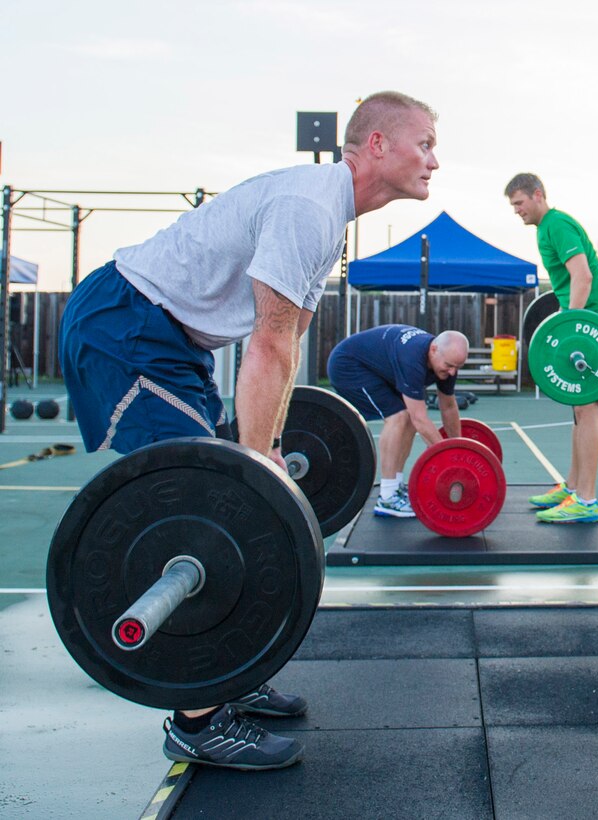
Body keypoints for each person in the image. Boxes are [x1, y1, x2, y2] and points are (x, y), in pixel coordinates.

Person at [58, 90, 441, 771]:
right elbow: (268, 345)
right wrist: (256, 462)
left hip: (173, 344)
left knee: (225, 494)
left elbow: (289, 337)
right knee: (203, 507)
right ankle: (195, 720)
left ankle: (225, 675)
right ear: (377, 145)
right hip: (126, 326)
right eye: (425, 144)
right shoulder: (309, 206)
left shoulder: (327, 213)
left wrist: (265, 445)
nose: (434, 161)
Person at [504, 173, 598, 524]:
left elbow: (582, 277)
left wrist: (570, 323)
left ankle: (586, 501)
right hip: (586, 319)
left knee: (588, 409)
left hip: (595, 319)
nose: (517, 211)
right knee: (578, 410)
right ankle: (573, 487)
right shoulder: (545, 228)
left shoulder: (557, 224)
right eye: (513, 207)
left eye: (520, 203)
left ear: (538, 195)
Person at [327, 325, 469, 516]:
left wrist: (458, 448)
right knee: (399, 417)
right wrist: (449, 458)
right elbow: (420, 419)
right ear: (433, 350)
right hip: (348, 366)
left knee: (407, 417)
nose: (452, 372)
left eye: (457, 367)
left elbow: (449, 407)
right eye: (449, 366)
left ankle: (395, 486)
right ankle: (387, 498)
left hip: (380, 370)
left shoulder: (446, 361)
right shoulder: (412, 359)